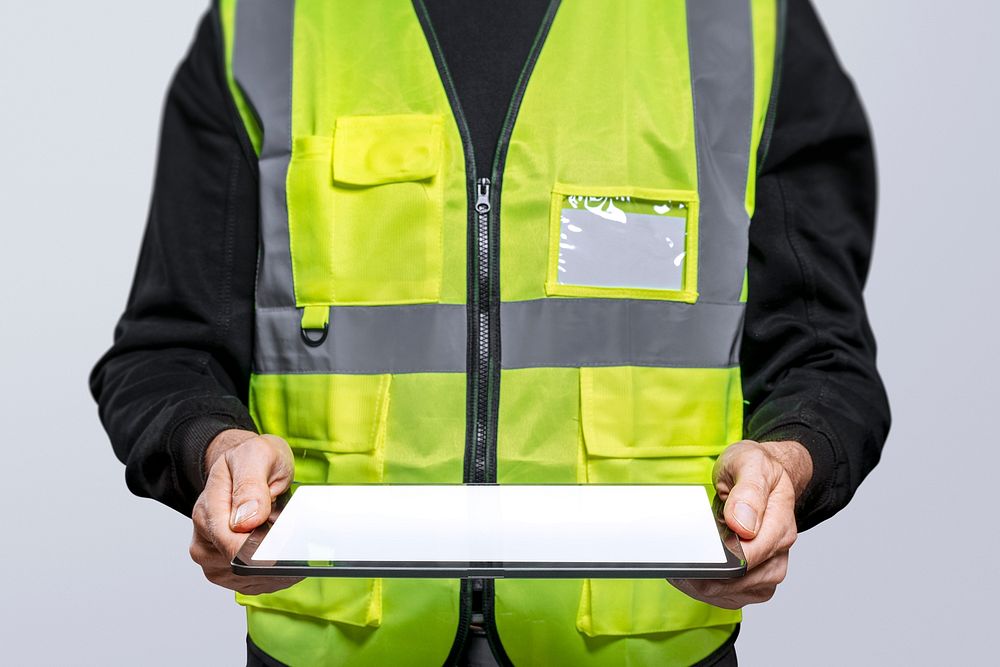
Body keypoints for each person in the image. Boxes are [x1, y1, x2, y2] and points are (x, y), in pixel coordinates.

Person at [91, 0, 890, 665]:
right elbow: (165, 355)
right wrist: (215, 449)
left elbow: (825, 359)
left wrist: (789, 460)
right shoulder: (268, 20)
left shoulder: (738, 17)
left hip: (645, 649)